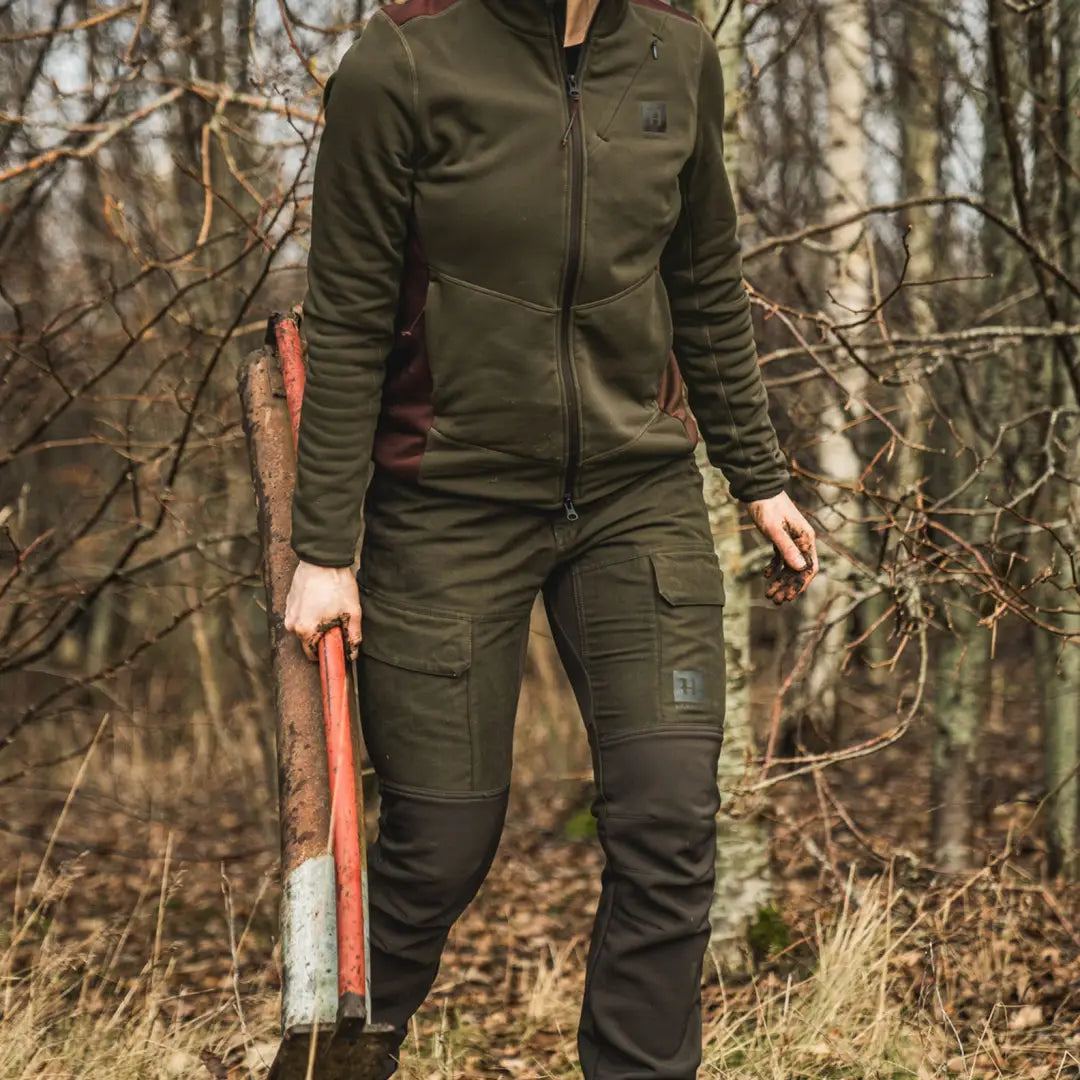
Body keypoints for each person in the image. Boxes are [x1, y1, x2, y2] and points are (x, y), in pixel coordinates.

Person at [283, 0, 818, 1076]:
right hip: (446, 504)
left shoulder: (677, 55)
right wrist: (325, 548)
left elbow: (706, 282)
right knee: (435, 851)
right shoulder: (404, 63)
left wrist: (758, 477)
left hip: (635, 495)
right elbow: (341, 316)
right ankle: (329, 1066)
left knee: (670, 829)